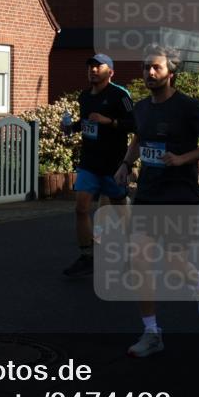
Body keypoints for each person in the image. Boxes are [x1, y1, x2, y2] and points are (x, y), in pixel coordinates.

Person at [114, 45, 199, 357]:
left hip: (179, 194)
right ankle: (152, 333)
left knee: (174, 264)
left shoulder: (188, 106)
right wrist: (125, 164)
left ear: (170, 73)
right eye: (146, 67)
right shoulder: (141, 108)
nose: (149, 72)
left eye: (156, 68)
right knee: (140, 260)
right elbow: (139, 138)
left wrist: (183, 158)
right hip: (148, 193)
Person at [61, 54, 135, 278]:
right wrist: (71, 128)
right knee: (81, 208)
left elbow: (134, 124)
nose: (93, 70)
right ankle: (87, 257)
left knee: (120, 210)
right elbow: (86, 122)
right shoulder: (84, 96)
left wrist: (109, 121)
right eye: (90, 67)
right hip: (89, 162)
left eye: (98, 67)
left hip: (113, 164)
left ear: (110, 72)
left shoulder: (120, 96)